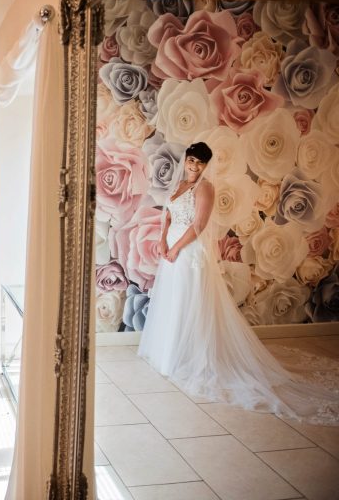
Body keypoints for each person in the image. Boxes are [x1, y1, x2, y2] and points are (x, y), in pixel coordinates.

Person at [138, 142, 338, 425]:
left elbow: (199, 225)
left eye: (200, 163)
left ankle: (191, 356)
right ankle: (173, 353)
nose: (194, 167)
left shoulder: (204, 188)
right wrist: (162, 241)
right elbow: (168, 215)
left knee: (189, 301)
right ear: (186, 160)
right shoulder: (180, 184)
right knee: (173, 301)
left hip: (189, 252)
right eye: (192, 161)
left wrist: (176, 249)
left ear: (206, 166)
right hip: (171, 248)